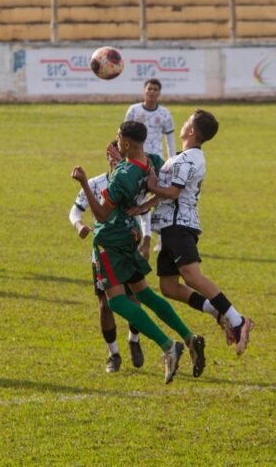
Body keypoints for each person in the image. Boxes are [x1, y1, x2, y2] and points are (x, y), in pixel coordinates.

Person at [71, 121, 206, 384]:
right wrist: (144, 202)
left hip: (110, 239)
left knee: (116, 301)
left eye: (119, 138)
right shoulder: (150, 161)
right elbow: (155, 185)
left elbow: (100, 213)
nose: (116, 141)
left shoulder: (123, 177)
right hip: (130, 235)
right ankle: (189, 337)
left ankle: (169, 346)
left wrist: (85, 183)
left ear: (127, 143)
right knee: (144, 293)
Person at [145, 109, 255, 355]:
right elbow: (163, 195)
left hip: (180, 225)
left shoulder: (190, 159)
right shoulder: (180, 157)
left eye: (186, 122)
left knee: (192, 276)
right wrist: (140, 207)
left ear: (192, 131)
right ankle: (217, 311)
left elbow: (172, 193)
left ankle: (238, 320)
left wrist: (151, 184)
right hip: (167, 226)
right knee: (169, 287)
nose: (183, 125)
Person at [69, 141, 144, 372]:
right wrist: (79, 225)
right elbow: (75, 210)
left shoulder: (133, 181)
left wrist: (146, 239)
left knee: (134, 298)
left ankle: (134, 340)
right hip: (102, 252)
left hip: (128, 249)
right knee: (105, 303)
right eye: (111, 155)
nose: (114, 159)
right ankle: (114, 355)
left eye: (119, 156)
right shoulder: (95, 183)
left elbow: (143, 213)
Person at [124, 78, 175, 253]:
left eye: (155, 89)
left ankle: (161, 238)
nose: (152, 92)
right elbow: (124, 134)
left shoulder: (165, 113)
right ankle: (134, 233)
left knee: (160, 197)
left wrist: (172, 159)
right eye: (149, 88)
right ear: (144, 91)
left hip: (157, 160)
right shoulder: (134, 110)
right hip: (137, 159)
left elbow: (169, 138)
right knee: (136, 195)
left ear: (159, 93)